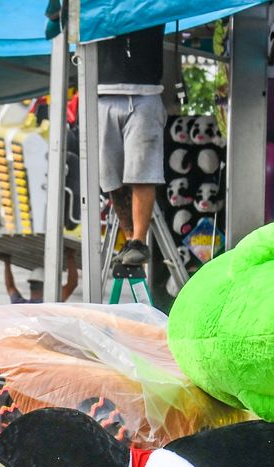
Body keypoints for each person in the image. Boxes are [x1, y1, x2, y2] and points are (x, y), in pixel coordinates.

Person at [97, 24, 167, 278]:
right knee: (110, 177)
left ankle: (137, 241)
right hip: (101, 92)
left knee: (143, 172)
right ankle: (130, 240)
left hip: (145, 92)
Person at [3, 250, 80, 303]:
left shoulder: (21, 305)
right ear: (47, 286)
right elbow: (72, 284)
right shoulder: (50, 303)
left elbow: (10, 287)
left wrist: (7, 262)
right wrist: (70, 257)